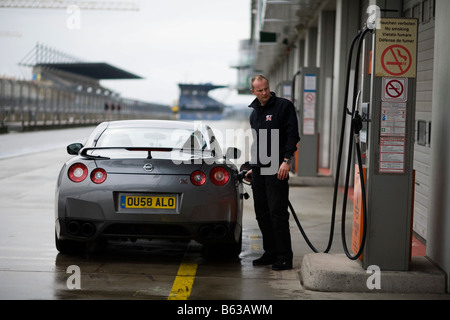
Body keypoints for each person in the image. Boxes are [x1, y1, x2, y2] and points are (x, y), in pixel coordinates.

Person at [245, 75, 300, 271]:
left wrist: (287, 160)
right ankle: (270, 252)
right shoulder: (254, 113)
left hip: (278, 167)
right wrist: (253, 166)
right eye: (260, 90)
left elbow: (292, 135)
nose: (264, 92)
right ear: (253, 92)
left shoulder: (283, 106)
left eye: (266, 88)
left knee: (277, 212)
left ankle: (284, 257)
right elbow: (257, 142)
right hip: (260, 168)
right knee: (262, 212)